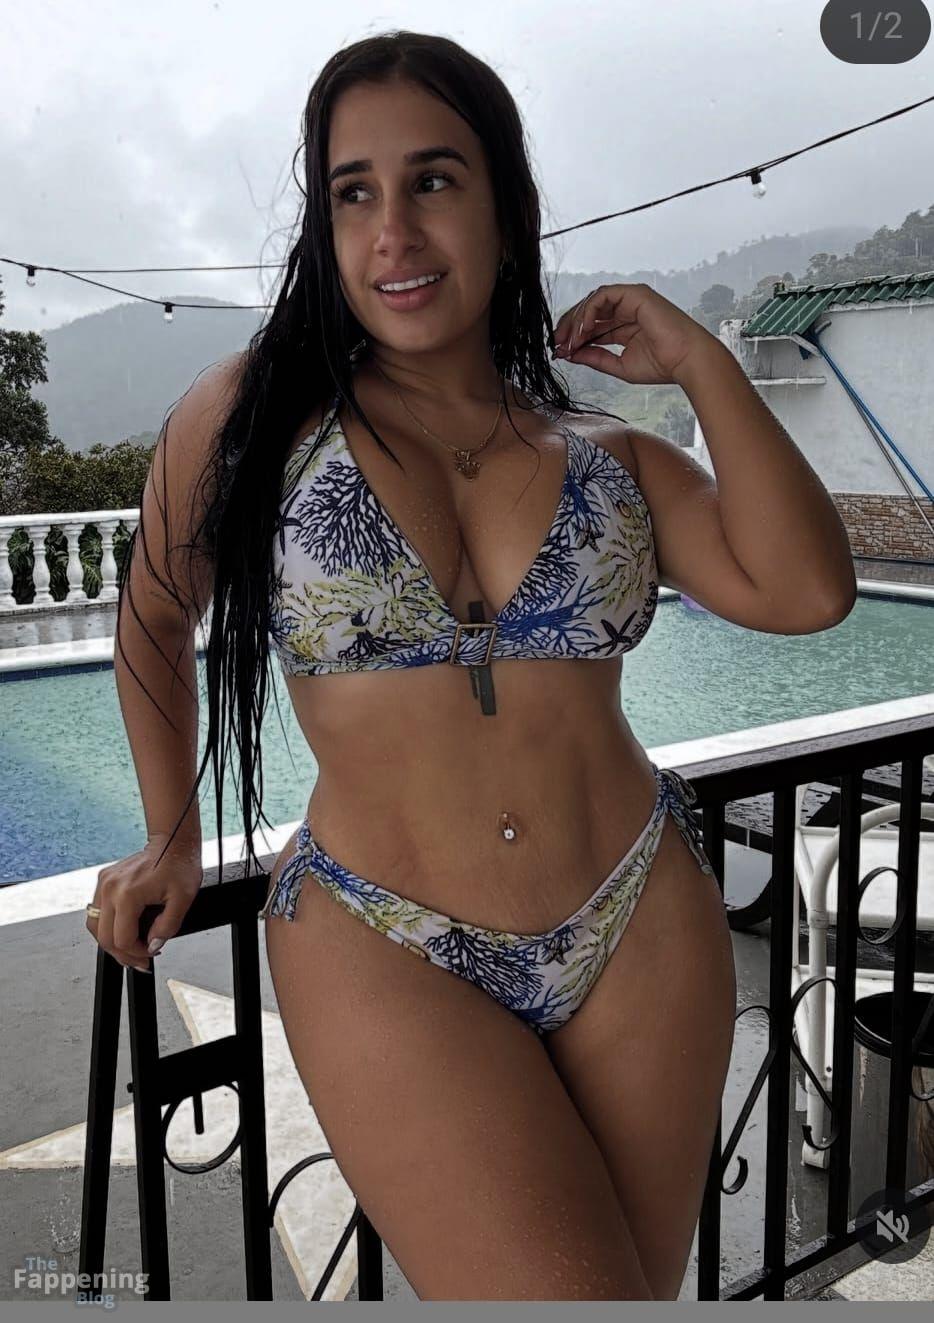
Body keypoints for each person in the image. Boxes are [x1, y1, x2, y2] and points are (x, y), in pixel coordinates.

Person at [85, 30, 857, 1302]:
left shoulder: (604, 451)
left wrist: (701, 361)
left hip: (637, 917)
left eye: (434, 180)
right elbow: (154, 621)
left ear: (504, 202)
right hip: (383, 935)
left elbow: (807, 590)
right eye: (355, 193)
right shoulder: (251, 418)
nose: (393, 231)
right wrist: (169, 836)